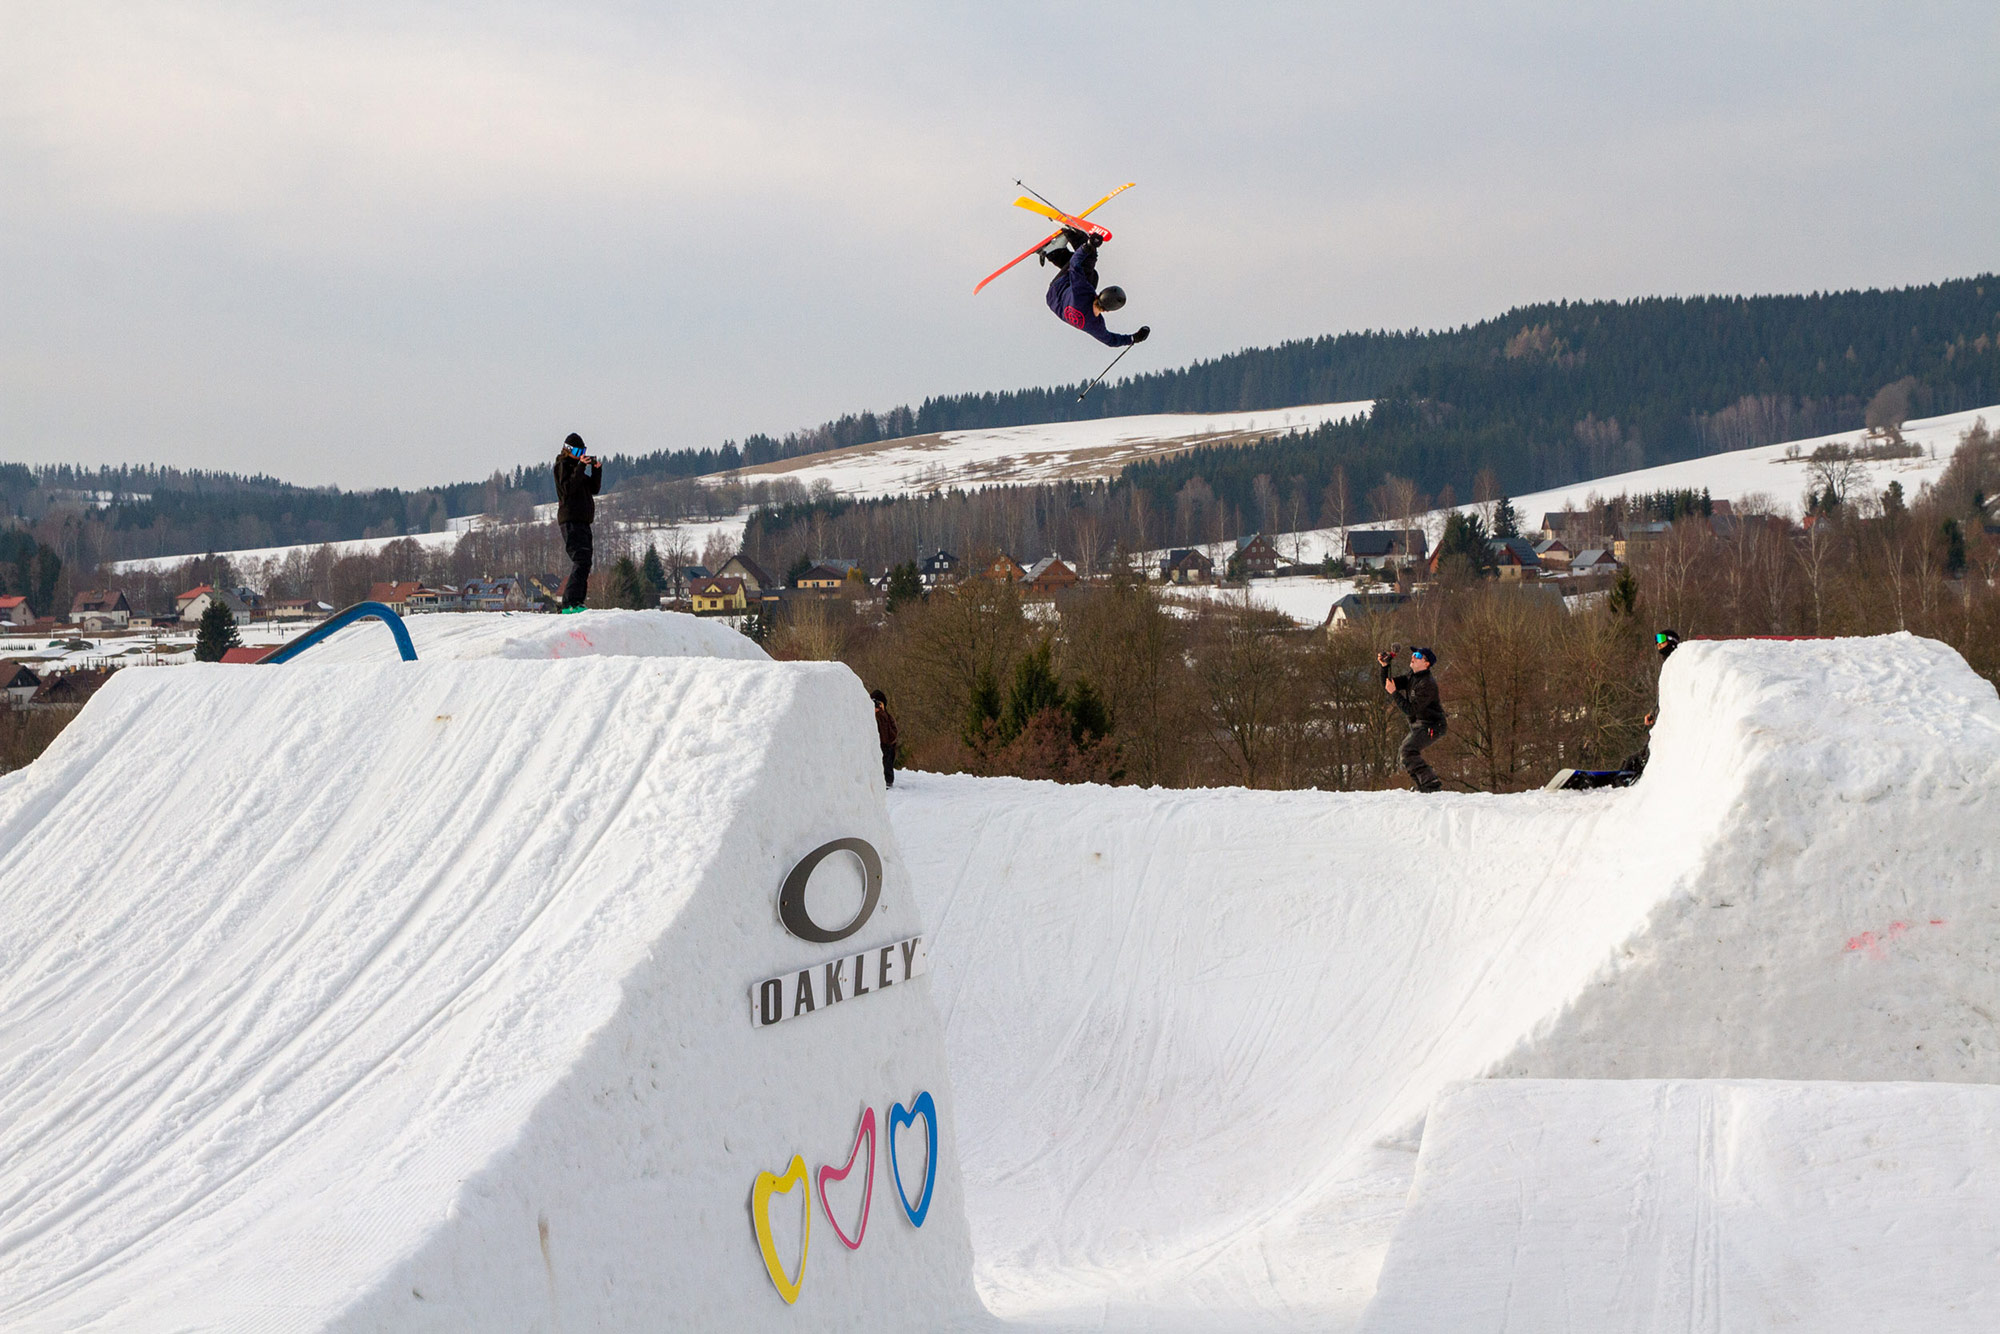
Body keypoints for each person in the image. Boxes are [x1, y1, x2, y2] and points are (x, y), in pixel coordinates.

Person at [1041, 228, 1150, 349]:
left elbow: (1074, 264)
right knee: (1092, 276)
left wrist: (1088, 245)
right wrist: (1133, 338)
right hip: (1054, 302)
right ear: (1107, 310)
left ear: (1100, 294)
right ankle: (1054, 253)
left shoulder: (1082, 291)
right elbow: (1111, 340)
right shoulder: (1095, 325)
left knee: (1089, 257)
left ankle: (1062, 241)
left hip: (1057, 290)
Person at [1379, 646, 1446, 793]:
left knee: (1407, 750)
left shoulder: (1427, 684)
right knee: (1405, 753)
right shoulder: (1412, 677)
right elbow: (1388, 684)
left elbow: (1410, 709)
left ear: (1426, 663)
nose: (1413, 657)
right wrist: (1385, 667)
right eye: (1414, 654)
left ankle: (1431, 784)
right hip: (1420, 724)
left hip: (1433, 725)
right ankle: (1422, 786)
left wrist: (1394, 693)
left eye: (1418, 656)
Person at [553, 432, 601, 612]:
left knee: (585, 562)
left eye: (584, 451)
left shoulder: (577, 469)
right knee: (580, 560)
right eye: (579, 452)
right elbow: (567, 488)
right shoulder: (562, 466)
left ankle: (577, 601)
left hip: (583, 522)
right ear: (568, 450)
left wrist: (596, 470)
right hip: (571, 521)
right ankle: (569, 603)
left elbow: (594, 488)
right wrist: (581, 466)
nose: (582, 455)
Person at [871, 689, 899, 788]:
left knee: (887, 761)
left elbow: (890, 736)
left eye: (878, 703)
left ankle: (887, 780)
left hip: (886, 748)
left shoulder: (888, 718)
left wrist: (881, 715)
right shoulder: (867, 716)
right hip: (874, 747)